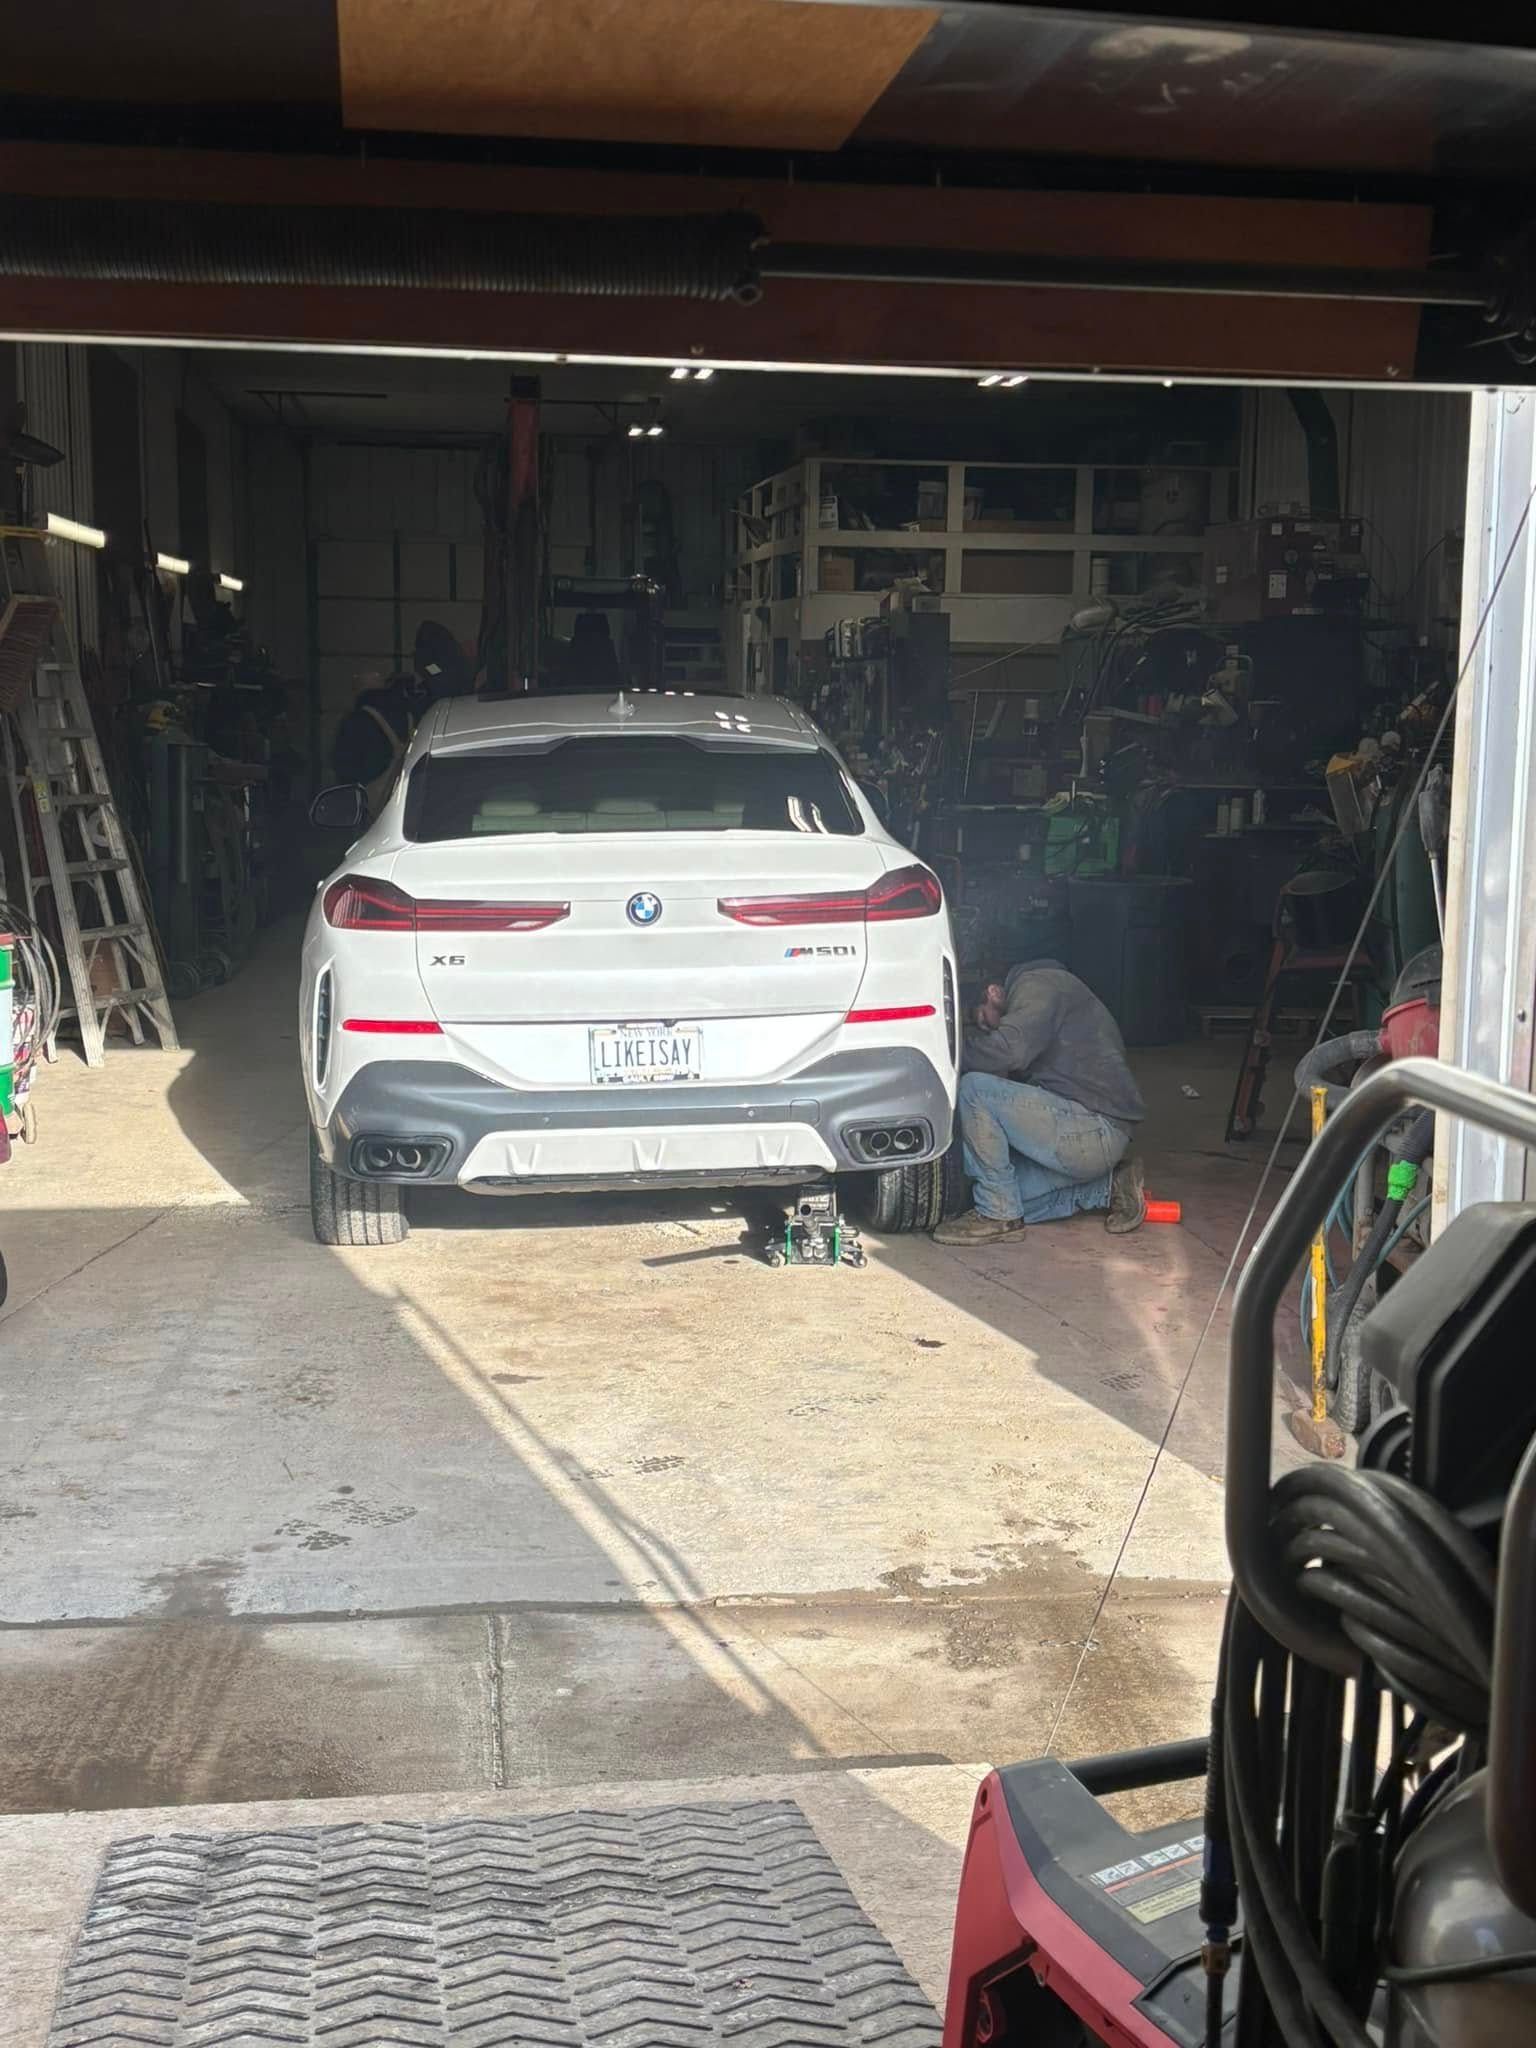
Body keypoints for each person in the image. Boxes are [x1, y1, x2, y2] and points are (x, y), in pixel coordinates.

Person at [932, 958, 1148, 1246]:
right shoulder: (1052, 991)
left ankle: (997, 1215)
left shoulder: (1039, 985)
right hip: (1092, 1136)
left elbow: (1010, 1050)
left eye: (983, 1020)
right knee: (989, 1192)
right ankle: (1110, 1186)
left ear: (994, 992)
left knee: (974, 1090)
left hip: (1094, 1127)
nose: (985, 1031)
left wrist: (946, 1060)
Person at [332, 669, 428, 817]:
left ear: (358, 690)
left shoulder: (355, 721)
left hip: (370, 803)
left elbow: (344, 765)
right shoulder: (408, 715)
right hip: (406, 797)